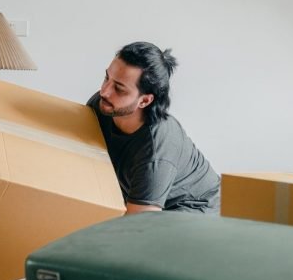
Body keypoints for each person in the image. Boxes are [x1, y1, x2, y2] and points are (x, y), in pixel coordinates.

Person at [87, 42, 220, 215]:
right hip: (149, 199)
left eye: (119, 88)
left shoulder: (155, 151)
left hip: (197, 209)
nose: (104, 91)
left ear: (145, 101)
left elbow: (140, 226)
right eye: (107, 78)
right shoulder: (103, 105)